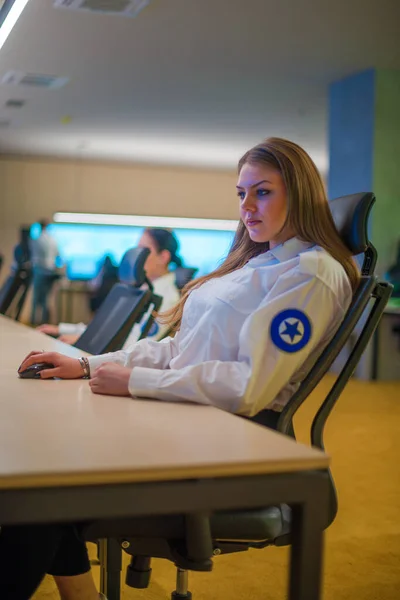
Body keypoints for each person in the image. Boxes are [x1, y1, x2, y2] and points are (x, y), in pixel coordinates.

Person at [2, 138, 358, 599]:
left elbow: (250, 388)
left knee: (43, 485)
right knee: (41, 466)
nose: (247, 207)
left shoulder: (310, 275)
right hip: (186, 422)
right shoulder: (260, 262)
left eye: (263, 192)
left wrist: (135, 382)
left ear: (300, 194)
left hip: (224, 445)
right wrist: (88, 364)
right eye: (241, 193)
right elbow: (176, 349)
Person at [36, 228, 182, 347]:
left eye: (144, 250)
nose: (138, 256)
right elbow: (108, 326)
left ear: (163, 257)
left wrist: (83, 340)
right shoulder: (141, 289)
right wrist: (61, 329)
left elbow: (138, 346)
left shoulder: (167, 299)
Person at [30, 219, 60, 325]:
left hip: (40, 270)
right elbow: (58, 256)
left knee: (36, 298)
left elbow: (35, 256)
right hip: (50, 271)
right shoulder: (53, 240)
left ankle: (33, 322)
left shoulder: (37, 239)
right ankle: (43, 323)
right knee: (45, 299)